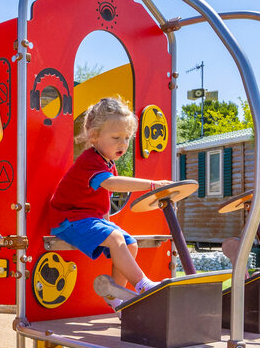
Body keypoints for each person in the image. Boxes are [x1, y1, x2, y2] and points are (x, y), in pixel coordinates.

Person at [49, 96, 170, 310]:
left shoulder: (107, 163)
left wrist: (107, 223)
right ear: (94, 136)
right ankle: (142, 285)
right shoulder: (89, 161)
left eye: (127, 137)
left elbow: (102, 204)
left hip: (87, 219)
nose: (123, 143)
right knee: (115, 238)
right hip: (69, 220)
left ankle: (115, 296)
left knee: (129, 242)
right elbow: (112, 185)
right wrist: (152, 185)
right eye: (116, 137)